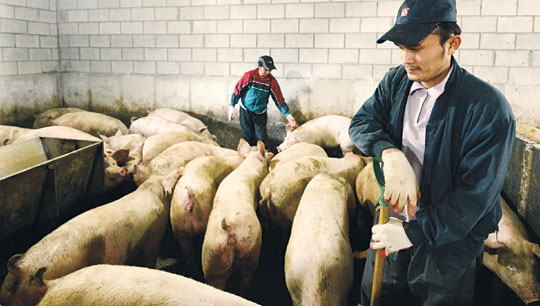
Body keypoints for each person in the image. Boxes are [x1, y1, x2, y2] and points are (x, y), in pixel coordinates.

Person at [348, 0, 515, 305]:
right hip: (392, 219)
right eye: (400, 47)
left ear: (452, 44)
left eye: (416, 47)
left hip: (449, 247)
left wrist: (415, 233)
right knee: (378, 298)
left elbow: (475, 198)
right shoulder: (397, 81)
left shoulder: (486, 108)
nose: (406, 59)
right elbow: (362, 122)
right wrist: (389, 153)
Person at [228, 55, 296, 149]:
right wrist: (231, 107)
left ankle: (265, 156)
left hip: (260, 114)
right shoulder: (249, 76)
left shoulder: (271, 81)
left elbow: (279, 99)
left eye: (270, 70)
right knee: (247, 137)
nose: (268, 72)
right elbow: (237, 91)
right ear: (259, 66)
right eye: (266, 69)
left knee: (261, 138)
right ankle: (249, 159)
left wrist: (288, 115)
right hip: (245, 111)